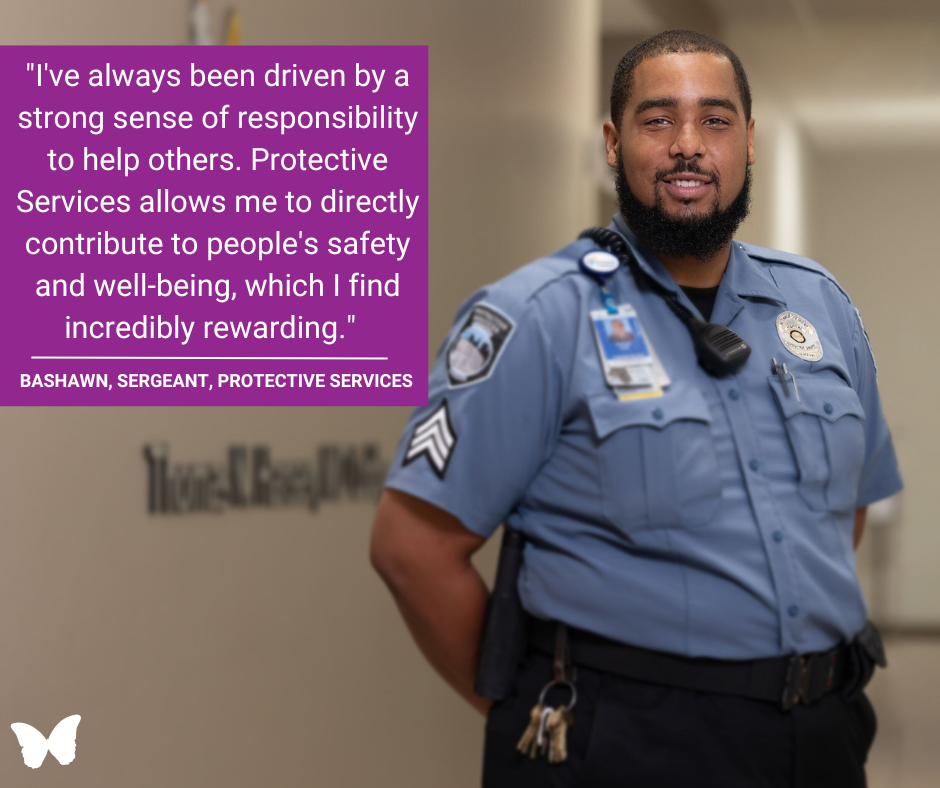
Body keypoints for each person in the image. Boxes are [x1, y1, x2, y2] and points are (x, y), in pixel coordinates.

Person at [370, 29, 902, 788]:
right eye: (658, 120)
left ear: (749, 143)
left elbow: (838, 515)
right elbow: (411, 550)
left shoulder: (818, 306)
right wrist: (519, 708)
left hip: (819, 734)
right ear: (613, 145)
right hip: (627, 742)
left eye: (715, 121)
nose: (689, 145)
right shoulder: (539, 315)